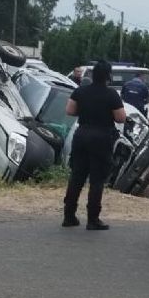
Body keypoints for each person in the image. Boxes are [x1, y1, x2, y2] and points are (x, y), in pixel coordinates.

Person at [62, 61, 127, 231]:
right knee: (97, 180)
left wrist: (84, 111)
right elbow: (120, 118)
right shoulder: (111, 94)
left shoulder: (80, 91)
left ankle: (69, 215)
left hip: (82, 134)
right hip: (101, 137)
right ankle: (93, 219)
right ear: (108, 76)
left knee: (77, 176)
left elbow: (69, 110)